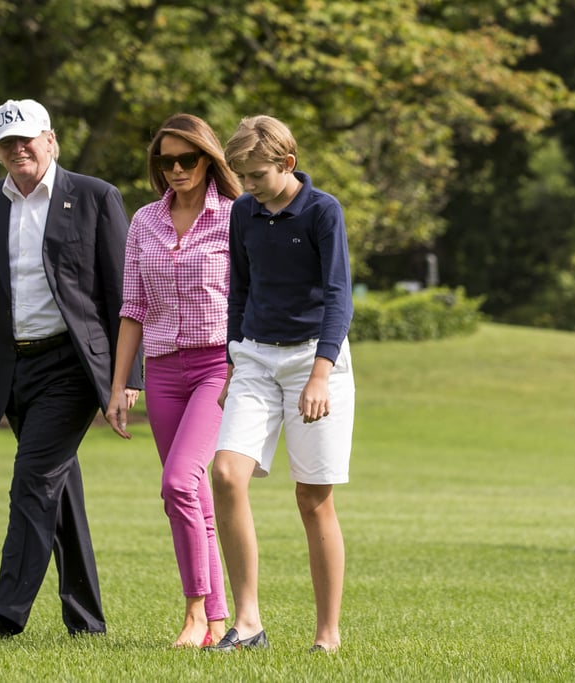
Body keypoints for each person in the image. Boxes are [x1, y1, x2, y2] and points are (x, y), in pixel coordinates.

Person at [0, 98, 143, 640]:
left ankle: (3, 616)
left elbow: (124, 293)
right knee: (58, 490)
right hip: (13, 368)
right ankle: (87, 622)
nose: (18, 148)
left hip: (72, 366)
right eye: (6, 142)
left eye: (27, 138)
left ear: (50, 140)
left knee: (32, 482)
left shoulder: (94, 197)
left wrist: (127, 378)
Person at [205, 115, 356, 654]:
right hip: (254, 360)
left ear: (287, 164)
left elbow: (339, 297)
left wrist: (320, 373)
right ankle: (248, 624)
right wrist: (230, 363)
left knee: (313, 498)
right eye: (241, 176)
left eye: (256, 175)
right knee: (225, 472)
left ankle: (327, 635)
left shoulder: (322, 211)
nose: (247, 187)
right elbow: (239, 292)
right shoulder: (244, 212)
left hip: (316, 363)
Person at [106, 114, 242, 648]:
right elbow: (132, 308)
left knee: (179, 482)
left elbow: (246, 300)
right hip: (162, 370)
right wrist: (120, 385)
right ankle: (215, 621)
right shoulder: (144, 221)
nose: (178, 169)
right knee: (193, 499)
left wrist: (241, 370)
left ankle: (192, 613)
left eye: (188, 158)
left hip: (217, 368)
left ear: (209, 160)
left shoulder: (235, 218)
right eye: (167, 160)